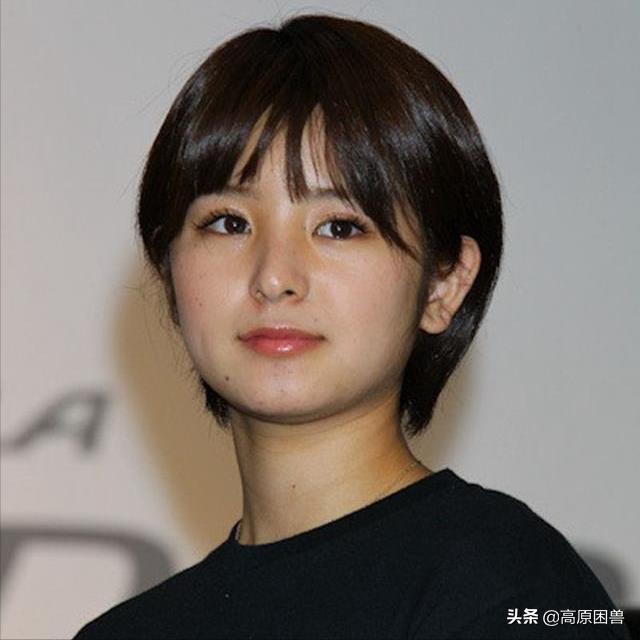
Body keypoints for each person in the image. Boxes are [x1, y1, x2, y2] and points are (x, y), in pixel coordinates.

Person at [74, 13, 631, 640]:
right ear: (169, 269)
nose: (274, 277)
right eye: (229, 222)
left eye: (339, 227)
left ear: (444, 284)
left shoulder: (516, 590)